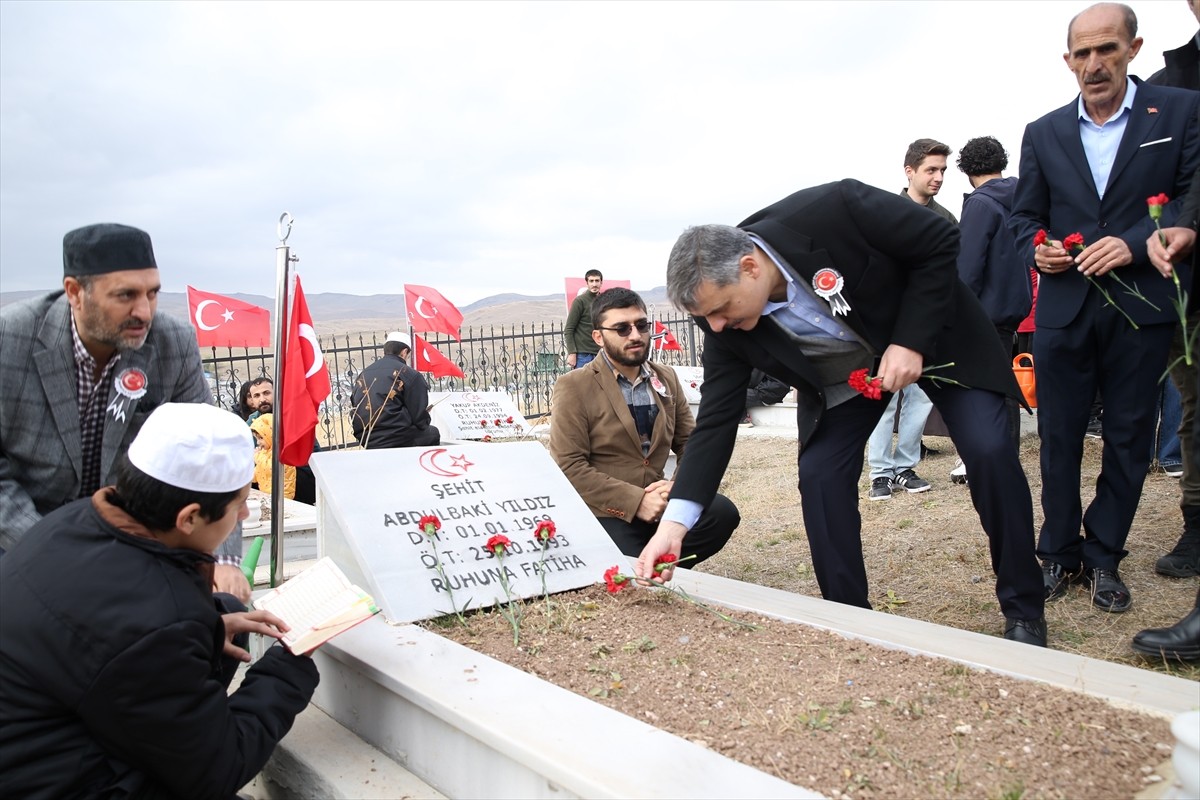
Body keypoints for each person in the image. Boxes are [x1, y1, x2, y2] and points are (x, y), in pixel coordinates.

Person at [643, 179, 1046, 646]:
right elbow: (716, 418)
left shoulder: (836, 208)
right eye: (706, 318)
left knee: (989, 450)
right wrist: (675, 525)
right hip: (848, 378)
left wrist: (910, 340)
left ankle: (1023, 607)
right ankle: (853, 620)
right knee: (820, 475)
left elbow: (939, 241)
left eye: (721, 310)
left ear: (750, 267)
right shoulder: (720, 318)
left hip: (937, 340)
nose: (715, 326)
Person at [0, 402, 319, 798]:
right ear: (188, 518)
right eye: (239, 504)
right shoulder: (157, 621)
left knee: (230, 611)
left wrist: (208, 626)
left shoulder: (74, 520)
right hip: (56, 781)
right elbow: (219, 769)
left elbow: (109, 636)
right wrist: (289, 666)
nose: (243, 515)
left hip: (38, 743)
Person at [1009, 2, 1200, 613]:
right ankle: (1058, 553)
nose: (1095, 64)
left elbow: (1194, 190)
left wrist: (1144, 239)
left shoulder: (1180, 110)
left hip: (1141, 305)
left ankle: (1104, 556)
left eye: (1107, 50)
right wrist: (1038, 251)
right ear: (1067, 61)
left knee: (1127, 437)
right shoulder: (1043, 131)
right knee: (1059, 437)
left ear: (1133, 49)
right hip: (1064, 310)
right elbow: (1024, 218)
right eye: (1083, 54)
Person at [0, 222, 247, 600]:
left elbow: (209, 455)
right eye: (125, 295)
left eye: (152, 293)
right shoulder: (10, 340)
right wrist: (50, 555)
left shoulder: (171, 343)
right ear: (75, 293)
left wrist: (224, 560)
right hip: (19, 546)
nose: (144, 312)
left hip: (130, 550)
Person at [550, 288, 740, 563]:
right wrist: (636, 501)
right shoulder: (574, 386)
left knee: (721, 514)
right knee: (629, 568)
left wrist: (675, 488)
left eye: (641, 325)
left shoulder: (666, 377)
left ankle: (662, 560)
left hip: (660, 500)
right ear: (598, 337)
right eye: (622, 329)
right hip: (607, 509)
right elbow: (569, 465)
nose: (635, 335)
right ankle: (645, 563)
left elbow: (691, 444)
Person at [865, 139, 955, 500]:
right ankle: (880, 472)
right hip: (887, 326)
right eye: (931, 170)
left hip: (929, 327)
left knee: (919, 399)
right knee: (884, 400)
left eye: (943, 171)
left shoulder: (946, 219)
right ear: (910, 171)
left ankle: (904, 466)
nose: (938, 177)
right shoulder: (884, 212)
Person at [951, 136, 1034, 483]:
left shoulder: (981, 205)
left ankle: (993, 461)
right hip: (1014, 308)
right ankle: (1002, 459)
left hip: (985, 313)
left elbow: (967, 266)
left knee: (987, 392)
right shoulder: (1021, 198)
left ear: (967, 170)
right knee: (1003, 388)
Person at [351, 331, 440, 448]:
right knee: (433, 433)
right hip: (395, 436)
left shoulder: (364, 373)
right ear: (404, 352)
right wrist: (424, 417)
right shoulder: (408, 374)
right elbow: (420, 420)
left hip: (365, 437)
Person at [563, 269, 603, 369]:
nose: (594, 284)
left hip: (601, 353)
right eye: (591, 281)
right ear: (587, 283)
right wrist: (572, 353)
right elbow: (569, 329)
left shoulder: (604, 301)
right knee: (583, 384)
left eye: (597, 281)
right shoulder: (580, 301)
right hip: (583, 355)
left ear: (601, 282)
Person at [251, 413, 296, 500]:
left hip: (282, 497)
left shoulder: (282, 451)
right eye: (257, 439)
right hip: (268, 494)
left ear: (270, 434)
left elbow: (272, 467)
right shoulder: (265, 452)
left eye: (261, 438)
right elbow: (260, 472)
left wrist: (257, 456)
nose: (258, 442)